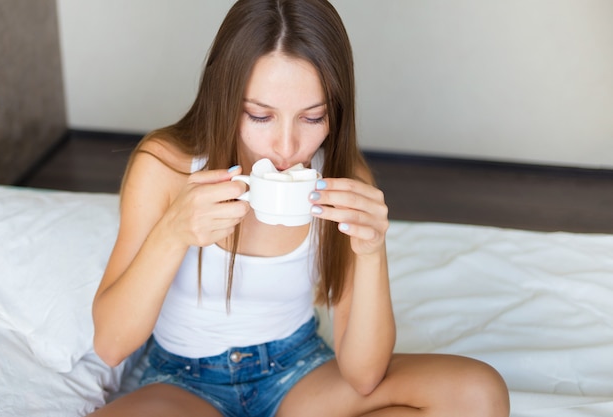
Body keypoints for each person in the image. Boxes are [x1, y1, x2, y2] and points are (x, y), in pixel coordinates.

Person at [89, 0, 510, 416]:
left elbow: (363, 376)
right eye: (259, 115)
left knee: (477, 394)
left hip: (300, 373)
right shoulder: (167, 165)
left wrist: (371, 251)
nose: (287, 148)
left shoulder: (342, 177)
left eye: (312, 119)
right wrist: (173, 232)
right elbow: (110, 344)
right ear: (225, 97)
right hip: (184, 382)